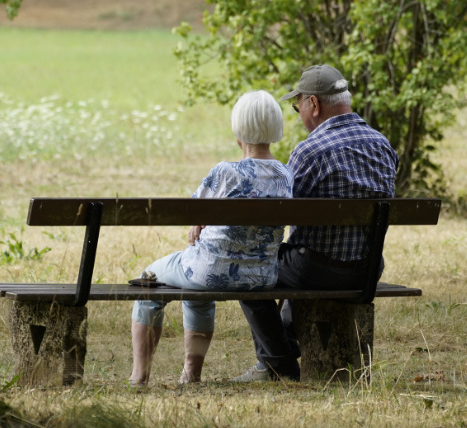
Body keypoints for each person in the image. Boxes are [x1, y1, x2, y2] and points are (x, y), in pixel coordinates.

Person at [232, 65, 399, 382]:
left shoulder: (309, 151)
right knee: (300, 255)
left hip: (317, 271)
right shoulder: (383, 145)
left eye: (297, 107)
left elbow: (280, 217)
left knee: (247, 266)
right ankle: (282, 351)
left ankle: (278, 364)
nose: (299, 114)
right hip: (367, 269)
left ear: (313, 104)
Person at [128, 90, 294, 386]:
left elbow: (192, 210)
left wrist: (198, 223)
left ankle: (139, 376)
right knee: (195, 287)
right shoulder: (285, 175)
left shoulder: (226, 172)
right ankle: (190, 375)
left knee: (148, 280)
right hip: (261, 277)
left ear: (238, 129)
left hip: (209, 272)